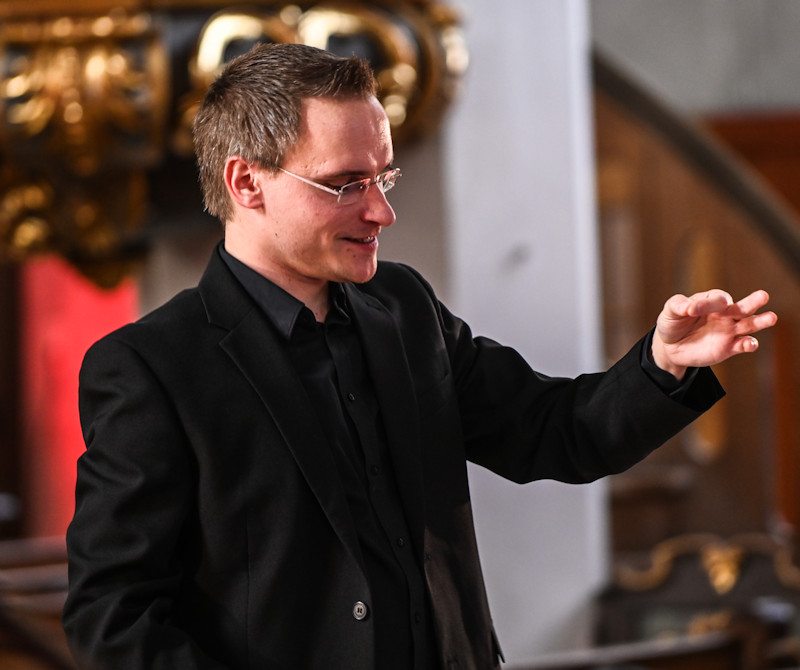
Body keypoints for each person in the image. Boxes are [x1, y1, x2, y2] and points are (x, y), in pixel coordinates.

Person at [62, 42, 777, 670]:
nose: (381, 211)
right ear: (247, 183)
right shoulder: (151, 368)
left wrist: (663, 362)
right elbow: (113, 618)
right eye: (346, 184)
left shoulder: (402, 308)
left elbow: (557, 432)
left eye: (384, 177)